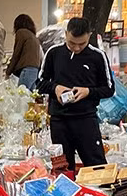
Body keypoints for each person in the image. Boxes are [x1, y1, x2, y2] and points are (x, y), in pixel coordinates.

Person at [38, 16, 114, 173]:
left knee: (97, 167)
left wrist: (88, 91)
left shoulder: (97, 56)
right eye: (72, 43)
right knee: (62, 169)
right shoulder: (54, 53)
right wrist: (56, 88)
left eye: (82, 44)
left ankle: (100, 195)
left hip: (86, 120)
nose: (77, 48)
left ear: (89, 36)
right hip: (59, 121)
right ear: (66, 34)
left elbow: (109, 88)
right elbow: (39, 83)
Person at [6, 14, 42, 90]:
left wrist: (8, 71)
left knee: (21, 96)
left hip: (26, 70)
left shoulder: (21, 32)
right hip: (35, 70)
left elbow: (16, 54)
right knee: (30, 97)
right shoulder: (34, 36)